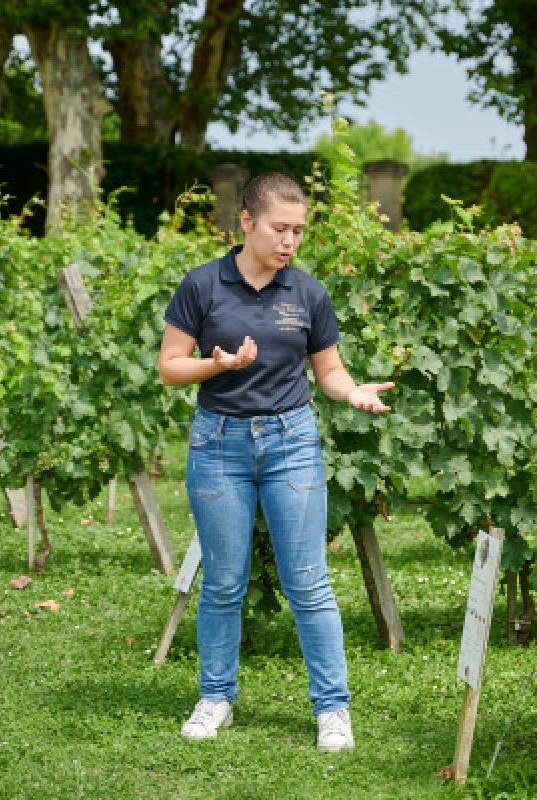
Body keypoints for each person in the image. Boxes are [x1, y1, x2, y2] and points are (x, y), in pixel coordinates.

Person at [157, 172, 393, 752]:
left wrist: (351, 391)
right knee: (224, 583)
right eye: (279, 228)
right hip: (218, 446)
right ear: (246, 222)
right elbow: (170, 366)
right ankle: (216, 697)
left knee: (309, 583)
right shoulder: (202, 285)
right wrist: (217, 366)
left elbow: (328, 371)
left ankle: (332, 709)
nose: (290, 241)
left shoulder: (307, 293)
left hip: (291, 442)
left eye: (298, 231)